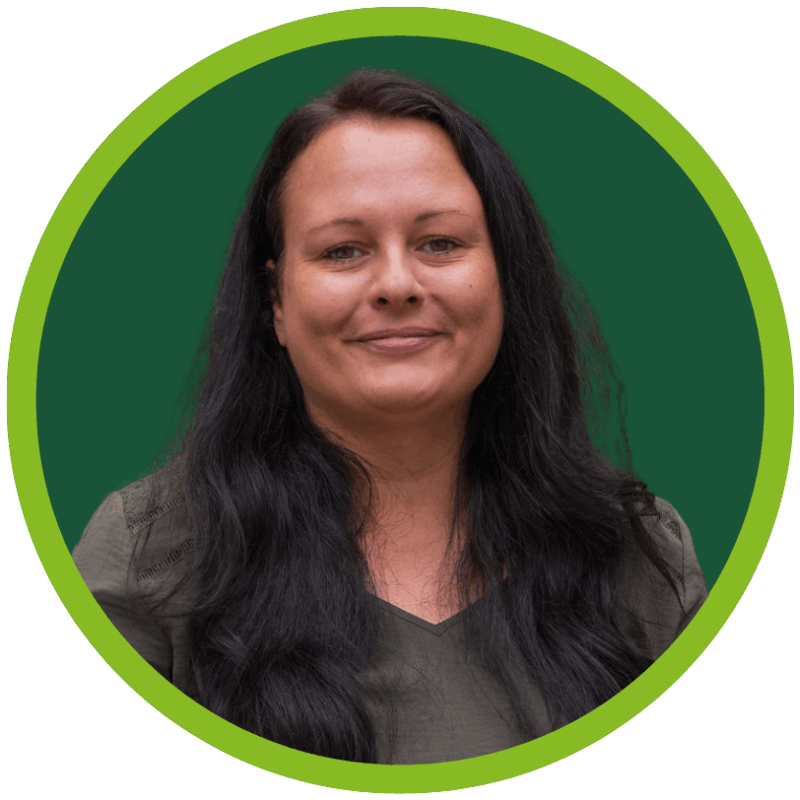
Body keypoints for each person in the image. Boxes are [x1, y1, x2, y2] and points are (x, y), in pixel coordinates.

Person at [74, 68, 707, 764]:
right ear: (276, 301)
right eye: (343, 251)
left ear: (505, 277)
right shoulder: (149, 558)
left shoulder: (638, 556)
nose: (398, 284)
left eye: (440, 243)